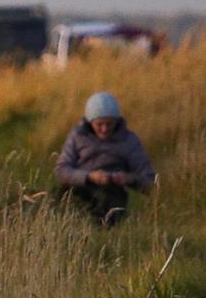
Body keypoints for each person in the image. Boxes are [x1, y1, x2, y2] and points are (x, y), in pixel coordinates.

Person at [53, 91, 156, 225]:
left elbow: (149, 180)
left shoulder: (129, 140)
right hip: (79, 189)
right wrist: (89, 177)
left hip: (112, 193)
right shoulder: (77, 136)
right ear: (90, 122)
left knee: (107, 216)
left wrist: (128, 178)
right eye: (99, 124)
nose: (105, 129)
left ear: (117, 121)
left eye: (110, 124)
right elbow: (61, 170)